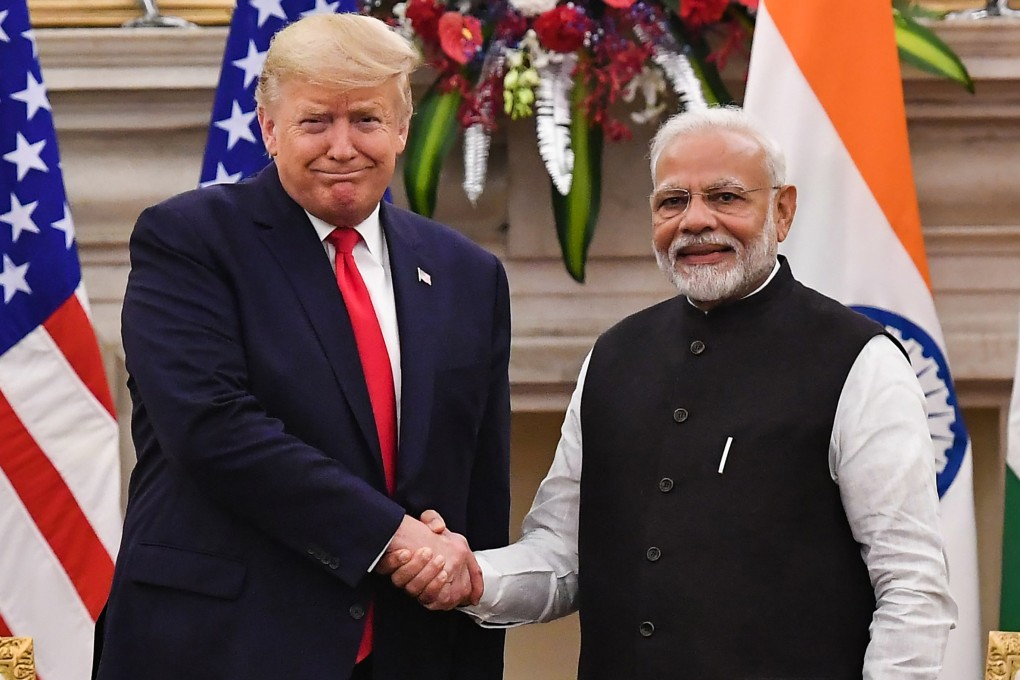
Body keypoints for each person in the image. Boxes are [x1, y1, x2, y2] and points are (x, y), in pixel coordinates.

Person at [382, 106, 957, 679]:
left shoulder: (860, 361)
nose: (695, 221)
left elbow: (911, 587)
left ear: (782, 211)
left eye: (726, 197)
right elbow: (562, 554)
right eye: (672, 201)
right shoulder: (613, 356)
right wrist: (474, 577)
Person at [93, 13, 510, 680]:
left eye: (367, 120)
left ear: (402, 128)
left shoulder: (468, 274)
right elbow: (213, 429)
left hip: (410, 651)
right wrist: (393, 537)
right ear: (269, 128)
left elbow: (478, 489)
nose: (342, 146)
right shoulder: (190, 242)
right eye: (316, 120)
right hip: (221, 647)